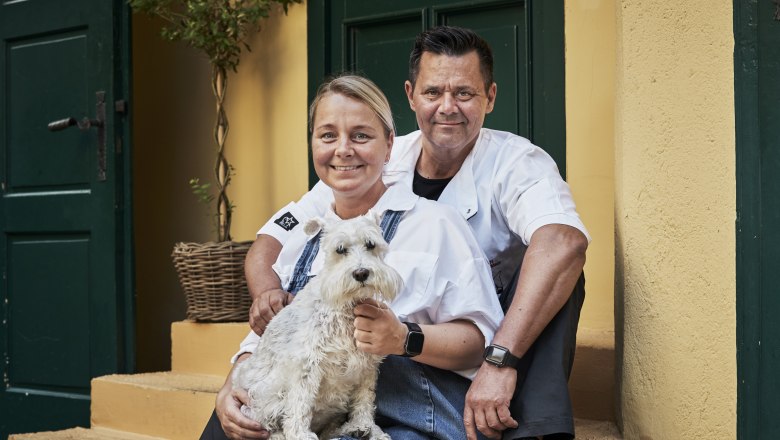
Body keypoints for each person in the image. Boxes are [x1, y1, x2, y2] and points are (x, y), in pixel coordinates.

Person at [244, 26, 590, 440]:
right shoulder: (375, 156)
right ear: (411, 96)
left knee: (565, 275)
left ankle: (535, 429)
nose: (447, 107)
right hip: (392, 336)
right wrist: (268, 295)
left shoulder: (517, 162)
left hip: (497, 330)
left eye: (464, 93)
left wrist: (499, 363)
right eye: (432, 93)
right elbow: (275, 238)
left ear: (491, 97)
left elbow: (564, 243)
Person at [202, 74, 504, 440]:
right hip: (296, 411)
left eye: (360, 135)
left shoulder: (435, 224)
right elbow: (274, 336)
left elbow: (478, 343)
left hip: (400, 419)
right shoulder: (304, 230)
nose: (343, 149)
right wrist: (231, 387)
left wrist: (403, 338)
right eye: (328, 135)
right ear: (313, 144)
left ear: (390, 145)